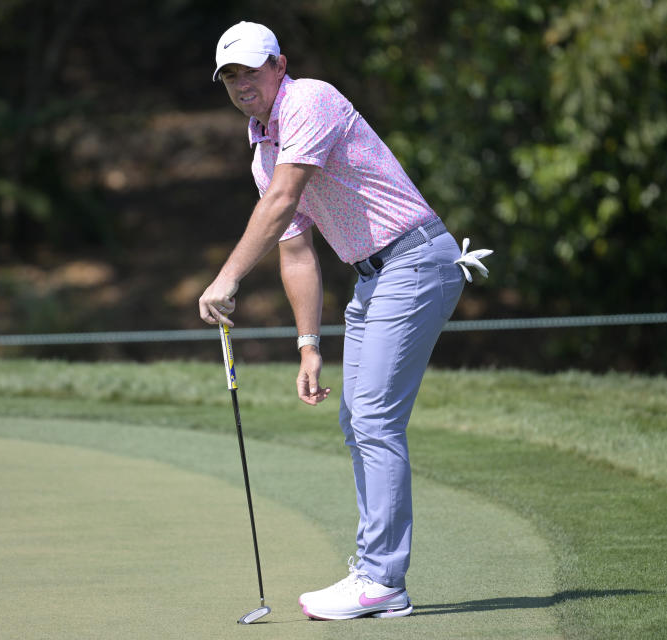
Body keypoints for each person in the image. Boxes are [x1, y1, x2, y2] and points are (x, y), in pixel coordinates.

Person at [198, 21, 490, 621]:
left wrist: (227, 278)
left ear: (280, 64)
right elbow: (296, 247)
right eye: (230, 76)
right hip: (375, 275)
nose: (241, 84)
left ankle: (382, 579)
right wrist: (308, 344)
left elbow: (281, 203)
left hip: (415, 260)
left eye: (250, 70)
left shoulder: (311, 100)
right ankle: (373, 573)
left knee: (376, 418)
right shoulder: (263, 147)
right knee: (357, 417)